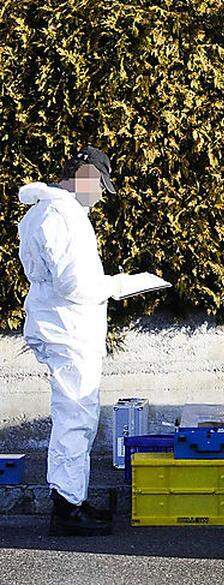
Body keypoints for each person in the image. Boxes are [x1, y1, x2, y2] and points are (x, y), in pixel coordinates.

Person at [17, 146, 138, 536]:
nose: (102, 195)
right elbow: (75, 285)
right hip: (69, 328)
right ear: (85, 176)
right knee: (76, 415)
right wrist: (119, 285)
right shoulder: (64, 216)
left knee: (73, 413)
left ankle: (72, 499)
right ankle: (68, 509)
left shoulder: (41, 211)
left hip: (57, 322)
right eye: (100, 185)